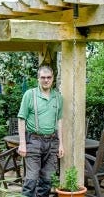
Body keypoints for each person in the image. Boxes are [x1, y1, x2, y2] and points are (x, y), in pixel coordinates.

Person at [17, 65, 64, 197]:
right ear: (38, 79)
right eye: (43, 77)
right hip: (34, 141)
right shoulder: (29, 95)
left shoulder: (57, 97)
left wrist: (61, 144)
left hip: (52, 142)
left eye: (48, 77)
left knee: (47, 180)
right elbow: (21, 119)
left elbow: (59, 121)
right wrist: (22, 143)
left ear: (53, 78)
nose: (46, 80)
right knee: (31, 179)